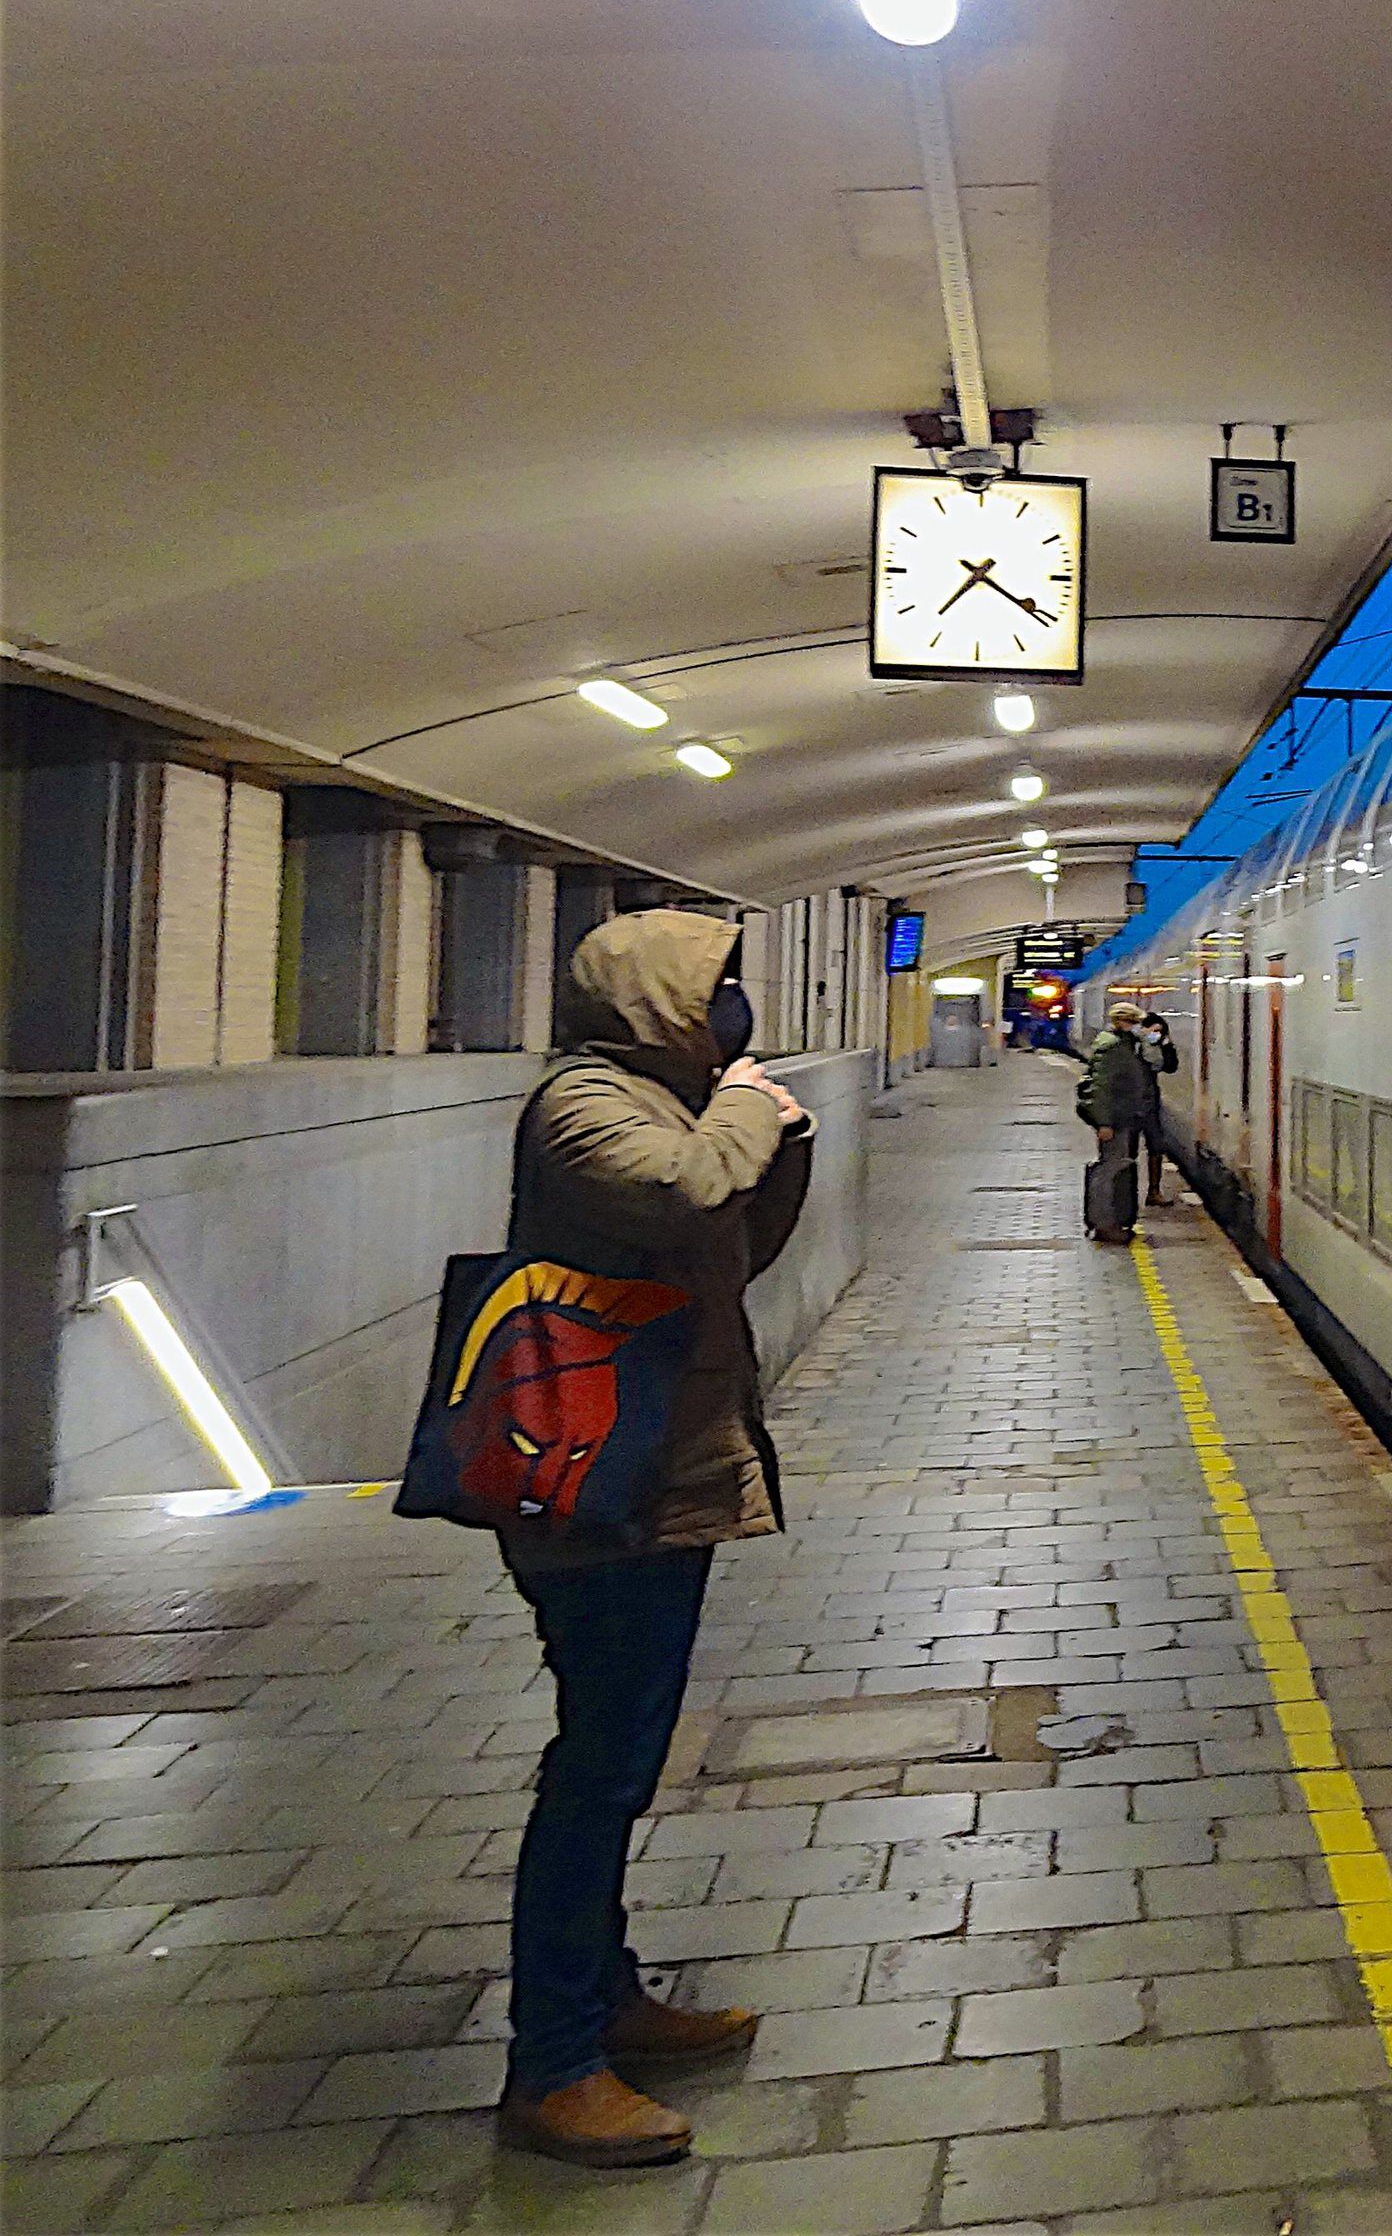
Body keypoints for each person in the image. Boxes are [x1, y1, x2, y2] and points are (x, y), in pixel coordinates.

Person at [493, 910, 813, 2169]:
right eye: (714, 988)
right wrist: (741, 1109)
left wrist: (775, 1142)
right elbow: (685, 1190)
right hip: (594, 1485)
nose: (731, 1010)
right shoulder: (582, 1107)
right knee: (599, 1768)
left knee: (619, 1756)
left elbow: (724, 1248)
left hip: (651, 1473)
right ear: (656, 1000)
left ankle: (607, 1996)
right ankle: (554, 2064)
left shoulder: (658, 1105)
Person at [1078, 1005, 1158, 1242]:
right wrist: (1104, 1123)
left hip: (1121, 1117)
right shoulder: (1113, 1048)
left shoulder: (1121, 1044)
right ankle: (1104, 1225)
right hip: (1115, 1119)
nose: (1137, 1027)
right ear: (1121, 1022)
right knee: (1109, 1170)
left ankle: (1108, 1222)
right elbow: (1101, 1088)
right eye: (1133, 1022)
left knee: (1113, 1167)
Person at [1130, 1006, 1182, 1201]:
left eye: (1159, 1032)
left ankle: (1153, 1191)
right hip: (1130, 1103)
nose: (1155, 1035)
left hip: (1150, 1102)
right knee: (1129, 1149)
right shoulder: (1131, 1044)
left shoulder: (1157, 1049)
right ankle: (1129, 1193)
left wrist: (1166, 1044)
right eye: (1153, 1031)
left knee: (1156, 1146)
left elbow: (1170, 1066)